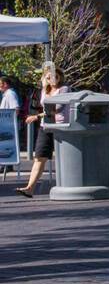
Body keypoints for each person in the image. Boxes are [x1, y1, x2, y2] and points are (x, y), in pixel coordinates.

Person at [14, 67, 64, 197]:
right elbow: (44, 107)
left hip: (61, 127)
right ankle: (30, 188)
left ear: (60, 78)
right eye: (48, 77)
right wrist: (44, 85)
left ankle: (67, 185)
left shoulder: (64, 90)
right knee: (39, 157)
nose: (52, 79)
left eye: (55, 77)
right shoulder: (43, 90)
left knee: (64, 158)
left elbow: (57, 109)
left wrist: (36, 117)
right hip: (45, 126)